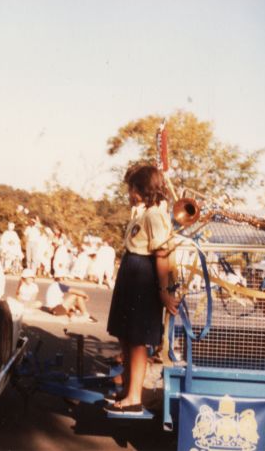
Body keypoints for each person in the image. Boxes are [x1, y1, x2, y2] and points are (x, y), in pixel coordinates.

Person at [105, 165, 179, 415]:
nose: (129, 193)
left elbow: (161, 254)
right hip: (132, 273)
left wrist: (162, 290)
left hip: (143, 278)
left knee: (137, 340)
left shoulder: (155, 215)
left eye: (133, 188)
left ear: (143, 189)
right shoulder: (143, 213)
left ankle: (134, 397)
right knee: (126, 337)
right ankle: (128, 389)